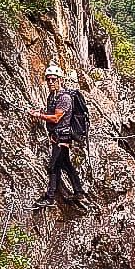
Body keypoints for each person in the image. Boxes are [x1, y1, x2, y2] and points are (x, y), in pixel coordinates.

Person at [29, 62, 85, 208]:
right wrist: (40, 112)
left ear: (60, 79)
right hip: (57, 136)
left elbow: (56, 118)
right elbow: (51, 114)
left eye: (53, 79)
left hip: (63, 137)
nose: (50, 82)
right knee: (66, 164)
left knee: (53, 167)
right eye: (48, 79)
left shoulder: (64, 98)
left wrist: (39, 115)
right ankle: (79, 191)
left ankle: (50, 197)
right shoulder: (52, 97)